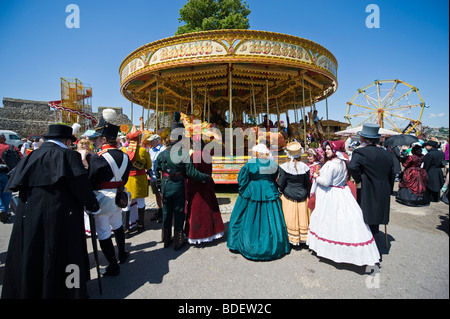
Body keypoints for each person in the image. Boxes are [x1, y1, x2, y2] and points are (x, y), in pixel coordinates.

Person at [1, 125, 100, 299]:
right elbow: (81, 186)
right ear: (68, 141)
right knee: (69, 256)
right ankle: (72, 291)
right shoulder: (69, 155)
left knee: (34, 253)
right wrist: (93, 206)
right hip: (63, 215)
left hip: (31, 214)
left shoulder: (32, 155)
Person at [306, 140, 380, 266]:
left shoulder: (331, 165)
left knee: (329, 220)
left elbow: (325, 182)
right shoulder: (343, 163)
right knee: (344, 220)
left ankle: (332, 249)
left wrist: (316, 176)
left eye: (329, 149)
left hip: (331, 194)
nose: (326, 151)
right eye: (326, 149)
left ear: (335, 151)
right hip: (342, 192)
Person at [154, 112, 212, 251]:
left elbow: (157, 170)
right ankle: (178, 241)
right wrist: (206, 178)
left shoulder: (162, 153)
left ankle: (166, 239)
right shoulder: (184, 154)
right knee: (179, 211)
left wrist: (159, 184)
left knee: (167, 211)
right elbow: (192, 173)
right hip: (178, 186)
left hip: (166, 185)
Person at [227, 143, 290, 261]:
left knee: (248, 216)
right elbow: (274, 177)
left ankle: (246, 244)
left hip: (252, 190)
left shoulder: (250, 163)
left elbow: (242, 178)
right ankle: (272, 245)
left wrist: (244, 191)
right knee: (271, 217)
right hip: (269, 190)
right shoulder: (273, 164)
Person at [89, 110, 132, 276]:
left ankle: (113, 265)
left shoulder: (98, 157)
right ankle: (122, 254)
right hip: (119, 197)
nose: (95, 141)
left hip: (102, 199)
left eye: (97, 138)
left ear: (104, 139)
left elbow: (91, 180)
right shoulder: (125, 156)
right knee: (118, 226)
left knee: (104, 232)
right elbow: (125, 179)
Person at [348, 124, 394, 236]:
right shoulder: (387, 154)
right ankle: (375, 234)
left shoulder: (360, 152)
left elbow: (352, 167)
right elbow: (392, 173)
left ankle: (367, 238)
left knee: (366, 213)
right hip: (383, 187)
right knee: (378, 212)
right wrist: (390, 188)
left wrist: (359, 179)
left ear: (363, 138)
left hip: (367, 187)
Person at [184, 135, 225, 244]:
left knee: (198, 211)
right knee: (210, 209)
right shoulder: (207, 153)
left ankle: (199, 234)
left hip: (197, 186)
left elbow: (194, 172)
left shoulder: (195, 155)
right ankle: (212, 231)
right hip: (207, 185)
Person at [277, 141, 311, 245]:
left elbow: (281, 184)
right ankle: (302, 238)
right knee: (303, 219)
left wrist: (279, 191)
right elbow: (306, 183)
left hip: (289, 197)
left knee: (290, 218)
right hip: (303, 196)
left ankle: (291, 238)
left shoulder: (284, 167)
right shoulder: (305, 167)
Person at [121, 127, 152, 235]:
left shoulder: (123, 150)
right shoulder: (143, 150)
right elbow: (149, 165)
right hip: (140, 180)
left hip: (127, 180)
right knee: (141, 203)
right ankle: (140, 225)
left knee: (127, 204)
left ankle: (125, 228)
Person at [0, 134, 23, 223]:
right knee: (7, 193)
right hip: (7, 173)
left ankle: (1, 209)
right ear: (3, 138)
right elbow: (21, 158)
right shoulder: (11, 147)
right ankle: (5, 210)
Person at [147, 134, 166, 223]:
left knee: (162, 195)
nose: (150, 142)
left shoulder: (163, 150)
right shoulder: (151, 150)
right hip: (152, 176)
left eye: (152, 141)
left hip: (161, 177)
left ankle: (164, 213)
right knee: (156, 194)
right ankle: (159, 210)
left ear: (157, 141)